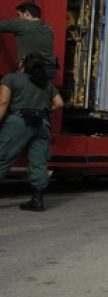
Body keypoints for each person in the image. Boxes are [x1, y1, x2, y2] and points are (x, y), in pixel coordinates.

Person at [0, 53, 63, 211]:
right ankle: (37, 201)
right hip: (41, 124)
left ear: (22, 63)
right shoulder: (46, 83)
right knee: (39, 163)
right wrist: (44, 110)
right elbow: (59, 103)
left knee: (3, 158)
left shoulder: (11, 78)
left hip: (19, 122)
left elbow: (3, 102)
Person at [0, 3, 57, 79]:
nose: (18, 18)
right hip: (50, 70)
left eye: (18, 15)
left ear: (27, 13)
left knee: (7, 81)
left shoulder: (21, 23)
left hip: (32, 71)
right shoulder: (48, 29)